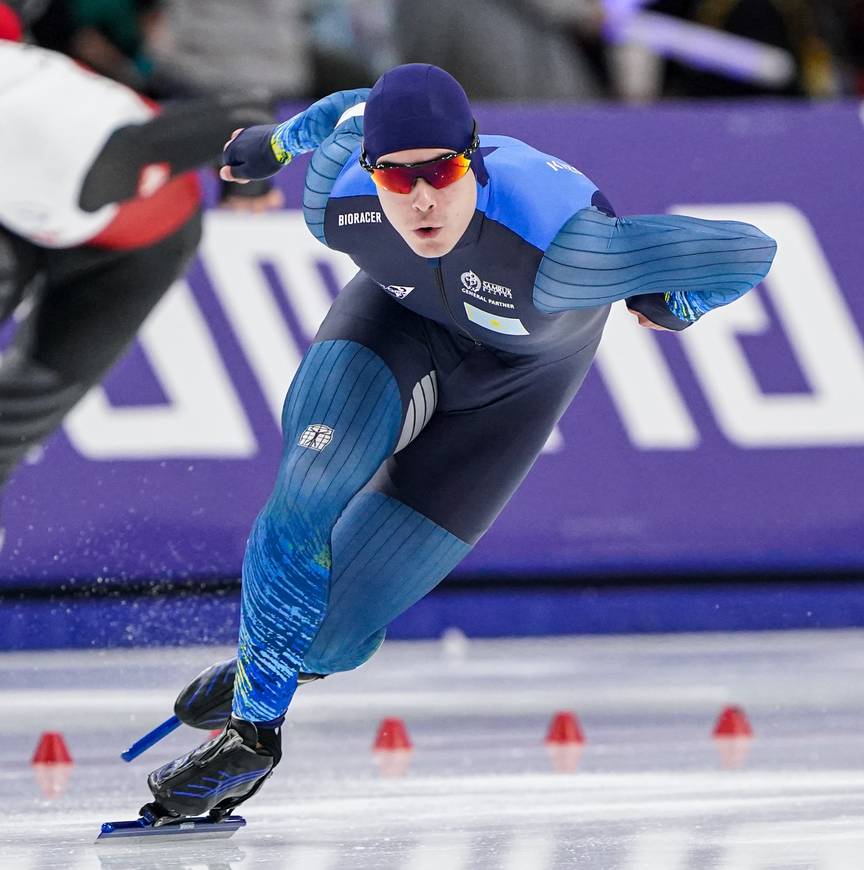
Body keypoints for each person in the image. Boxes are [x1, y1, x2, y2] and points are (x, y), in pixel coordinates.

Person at [142, 63, 777, 824]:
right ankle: (252, 731)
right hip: (394, 325)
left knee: (338, 636)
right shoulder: (337, 202)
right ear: (370, 171)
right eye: (395, 176)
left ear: (472, 157)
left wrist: (676, 303)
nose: (419, 199)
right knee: (306, 492)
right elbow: (349, 112)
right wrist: (270, 151)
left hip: (516, 388)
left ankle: (269, 665)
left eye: (440, 172)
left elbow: (749, 248)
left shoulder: (566, 253)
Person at [0, 11, 275, 546]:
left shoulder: (94, 156)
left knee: (21, 406)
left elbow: (246, 111)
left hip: (133, 248)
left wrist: (248, 180)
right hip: (28, 203)